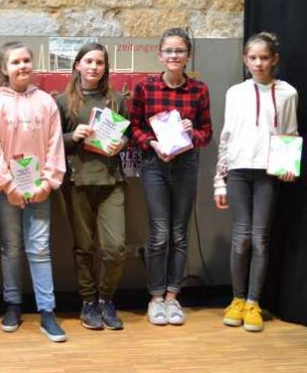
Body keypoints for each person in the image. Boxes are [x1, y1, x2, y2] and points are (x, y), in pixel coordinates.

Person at [0, 42, 67, 342]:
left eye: (27, 61)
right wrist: (8, 186)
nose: (22, 66)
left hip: (41, 188)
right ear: (4, 68)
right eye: (16, 62)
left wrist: (47, 183)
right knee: (11, 247)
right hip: (8, 190)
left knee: (40, 248)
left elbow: (55, 145)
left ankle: (47, 311)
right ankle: (13, 304)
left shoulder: (46, 101)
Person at [214, 32, 298, 332]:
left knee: (260, 240)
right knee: (241, 238)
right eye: (253, 58)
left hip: (267, 174)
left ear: (274, 60)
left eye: (264, 57)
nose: (258, 63)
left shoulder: (288, 93)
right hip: (237, 172)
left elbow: (290, 132)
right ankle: (236, 299)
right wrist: (219, 182)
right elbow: (226, 137)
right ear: (245, 60)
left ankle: (253, 302)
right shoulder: (235, 93)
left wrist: (288, 165)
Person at [130, 27, 212, 326]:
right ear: (160, 54)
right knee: (159, 233)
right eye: (169, 51)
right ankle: (155, 297)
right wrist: (151, 143)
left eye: (180, 51)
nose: (174, 56)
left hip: (186, 163)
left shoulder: (199, 89)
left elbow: (207, 132)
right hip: (155, 164)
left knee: (179, 233)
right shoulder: (145, 87)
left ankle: (172, 297)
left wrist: (193, 134)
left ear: (188, 55)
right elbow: (133, 126)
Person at [56, 43, 128, 331]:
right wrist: (74, 135)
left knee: (115, 248)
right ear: (77, 65)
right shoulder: (62, 101)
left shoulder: (116, 99)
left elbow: (126, 136)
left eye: (100, 62)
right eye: (88, 61)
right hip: (77, 181)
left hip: (111, 180)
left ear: (105, 68)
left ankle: (106, 299)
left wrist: (120, 143)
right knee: (84, 247)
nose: (94, 67)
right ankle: (88, 301)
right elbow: (52, 142)